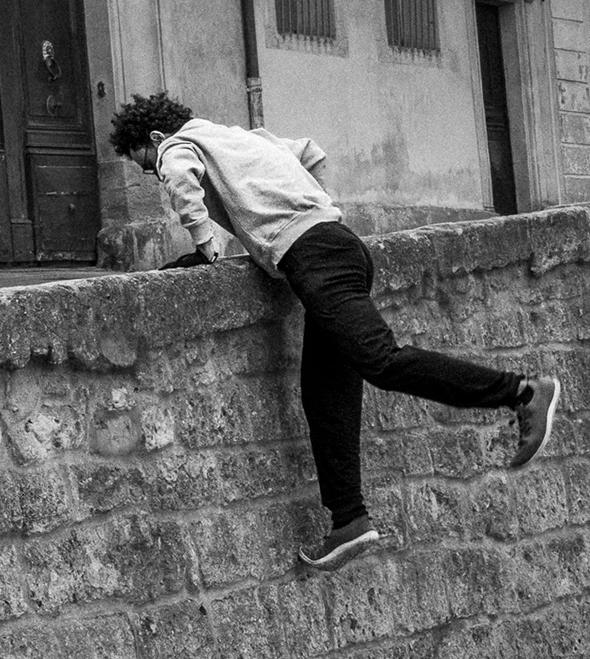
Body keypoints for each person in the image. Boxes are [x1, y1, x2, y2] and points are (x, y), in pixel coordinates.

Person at [108, 92, 561, 572]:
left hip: (317, 257)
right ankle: (349, 520)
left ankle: (522, 391)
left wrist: (206, 247)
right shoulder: (242, 138)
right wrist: (314, 208)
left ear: (155, 137)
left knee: (381, 361)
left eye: (145, 162)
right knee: (325, 396)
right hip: (336, 245)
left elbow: (182, 181)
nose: (151, 171)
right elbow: (310, 152)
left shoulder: (177, 145)